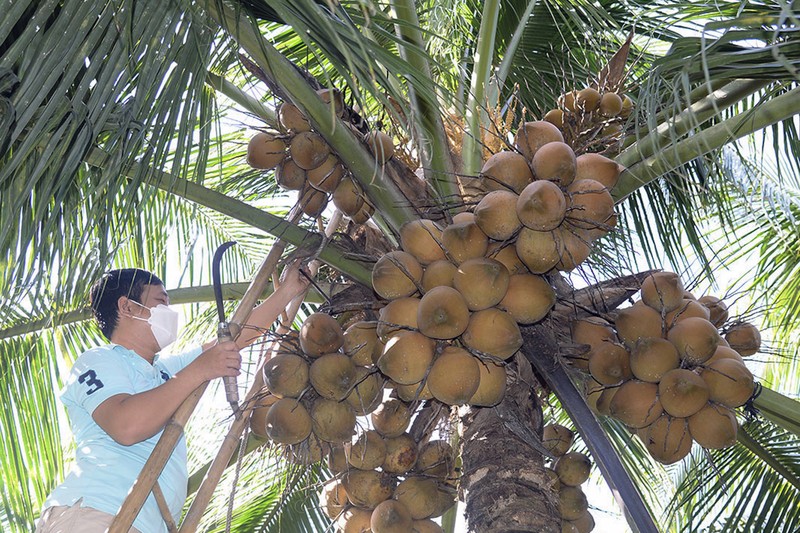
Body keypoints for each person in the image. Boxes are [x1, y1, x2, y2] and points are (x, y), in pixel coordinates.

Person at [36, 262, 309, 533]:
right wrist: (200, 370)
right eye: (161, 302)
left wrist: (287, 291)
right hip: (94, 513)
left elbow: (236, 338)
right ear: (127, 306)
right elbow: (126, 426)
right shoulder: (99, 360)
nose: (170, 312)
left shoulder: (165, 373)